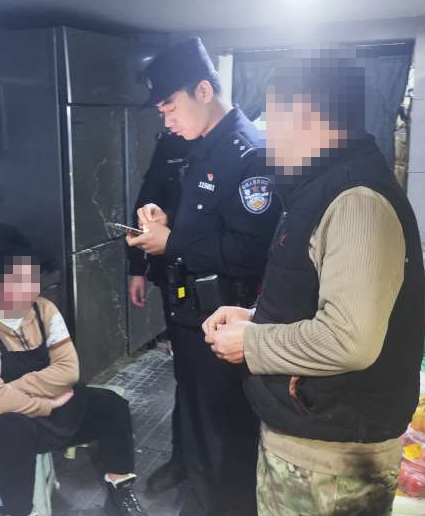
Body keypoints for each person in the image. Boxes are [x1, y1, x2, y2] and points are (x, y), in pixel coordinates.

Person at [203, 49, 425, 516]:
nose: (267, 134)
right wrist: (255, 318)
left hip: (332, 463)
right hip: (310, 442)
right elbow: (318, 299)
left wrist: (252, 342)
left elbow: (349, 340)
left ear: (304, 113)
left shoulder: (357, 201)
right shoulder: (322, 188)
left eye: (271, 117)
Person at [126, 37, 280, 516]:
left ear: (204, 92)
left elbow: (248, 252)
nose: (167, 120)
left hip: (225, 316)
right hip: (190, 311)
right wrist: (163, 223)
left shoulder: (249, 154)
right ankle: (195, 492)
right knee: (195, 411)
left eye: (170, 107)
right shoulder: (198, 147)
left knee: (226, 428)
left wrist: (171, 242)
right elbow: (201, 224)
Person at [0, 252, 147, 516]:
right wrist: (47, 403)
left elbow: (68, 371)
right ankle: (17, 511)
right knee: (13, 429)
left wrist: (11, 388)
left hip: (49, 415)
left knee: (111, 404)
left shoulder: (44, 310)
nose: (29, 291)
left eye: (32, 281)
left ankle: (120, 488)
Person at [126, 129, 195, 494]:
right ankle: (183, 458)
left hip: (227, 284)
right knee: (185, 372)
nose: (168, 119)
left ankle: (219, 466)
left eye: (171, 107)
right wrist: (136, 268)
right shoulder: (171, 144)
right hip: (175, 279)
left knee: (222, 379)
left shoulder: (238, 146)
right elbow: (145, 203)